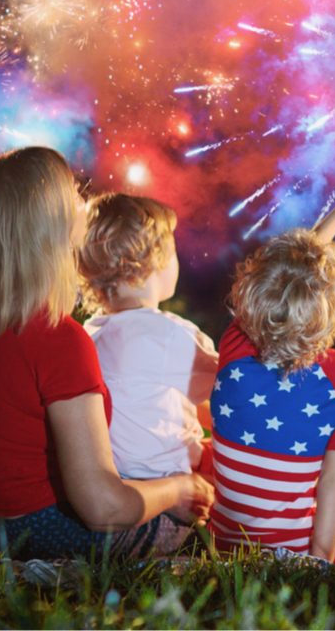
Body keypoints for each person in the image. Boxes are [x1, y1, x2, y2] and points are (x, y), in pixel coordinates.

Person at [0, 147, 214, 560]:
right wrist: (180, 489)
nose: (85, 202)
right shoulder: (62, 340)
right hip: (33, 534)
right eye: (73, 193)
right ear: (49, 226)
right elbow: (102, 508)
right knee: (180, 519)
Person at [209, 181, 335, 561]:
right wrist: (319, 561)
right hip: (299, 550)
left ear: (251, 293)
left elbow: (290, 281)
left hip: (221, 546)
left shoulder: (234, 347)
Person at [78, 193, 217, 480]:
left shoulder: (89, 333)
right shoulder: (166, 334)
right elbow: (230, 388)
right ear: (156, 259)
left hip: (116, 483)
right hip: (168, 486)